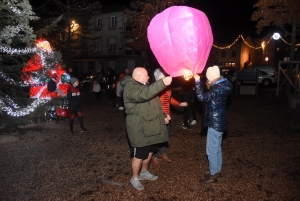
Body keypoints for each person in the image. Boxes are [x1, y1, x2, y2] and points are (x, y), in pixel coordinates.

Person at [120, 67, 172, 191]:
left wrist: (163, 117)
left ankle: (144, 172)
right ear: (138, 76)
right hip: (139, 128)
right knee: (139, 155)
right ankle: (135, 178)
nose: (149, 77)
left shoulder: (145, 85)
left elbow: (154, 105)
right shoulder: (130, 88)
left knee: (150, 151)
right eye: (147, 75)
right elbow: (143, 95)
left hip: (150, 126)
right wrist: (162, 83)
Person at [193, 65, 232, 184]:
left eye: (208, 78)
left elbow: (201, 97)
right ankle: (217, 169)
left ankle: (213, 174)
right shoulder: (225, 84)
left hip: (215, 123)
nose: (208, 81)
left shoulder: (217, 89)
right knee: (217, 147)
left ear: (212, 78)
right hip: (219, 121)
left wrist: (197, 81)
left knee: (211, 150)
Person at [151, 68, 187, 167]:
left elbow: (169, 99)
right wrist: (162, 116)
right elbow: (154, 105)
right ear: (159, 78)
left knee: (165, 136)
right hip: (158, 117)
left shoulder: (167, 87)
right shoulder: (155, 88)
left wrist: (179, 103)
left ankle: (162, 153)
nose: (168, 78)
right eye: (165, 77)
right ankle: (154, 156)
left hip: (168, 116)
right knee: (157, 138)